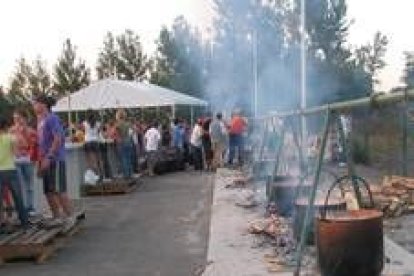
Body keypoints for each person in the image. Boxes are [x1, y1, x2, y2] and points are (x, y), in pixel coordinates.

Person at [32, 95, 74, 226]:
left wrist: (49, 157)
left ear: (43, 104)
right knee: (48, 191)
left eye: (35, 103)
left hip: (55, 160)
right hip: (44, 161)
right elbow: (41, 143)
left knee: (59, 190)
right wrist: (39, 162)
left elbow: (58, 138)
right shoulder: (40, 121)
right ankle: (56, 216)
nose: (33, 106)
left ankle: (70, 217)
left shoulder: (52, 118)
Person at [0, 116, 29, 229]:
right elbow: (18, 153)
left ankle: (1, 222)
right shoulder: (12, 138)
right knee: (18, 197)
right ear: (6, 126)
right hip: (11, 170)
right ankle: (24, 223)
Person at [10, 109, 37, 215]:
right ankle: (21, 208)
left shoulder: (31, 131)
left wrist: (23, 132)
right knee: (19, 185)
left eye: (18, 118)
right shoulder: (11, 130)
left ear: (24, 118)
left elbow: (32, 146)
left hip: (28, 160)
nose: (16, 121)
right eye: (14, 119)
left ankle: (30, 207)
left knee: (29, 185)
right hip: (16, 161)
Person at [83, 110, 103, 179]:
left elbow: (84, 132)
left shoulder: (85, 123)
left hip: (88, 142)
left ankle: (94, 176)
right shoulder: (98, 123)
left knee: (90, 161)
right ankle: (100, 175)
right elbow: (98, 133)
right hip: (95, 142)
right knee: (98, 159)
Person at [115, 109, 133, 179]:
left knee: (124, 159)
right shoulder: (127, 123)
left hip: (122, 141)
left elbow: (115, 133)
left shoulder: (118, 124)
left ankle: (126, 175)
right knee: (128, 158)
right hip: (128, 141)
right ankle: (130, 173)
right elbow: (132, 131)